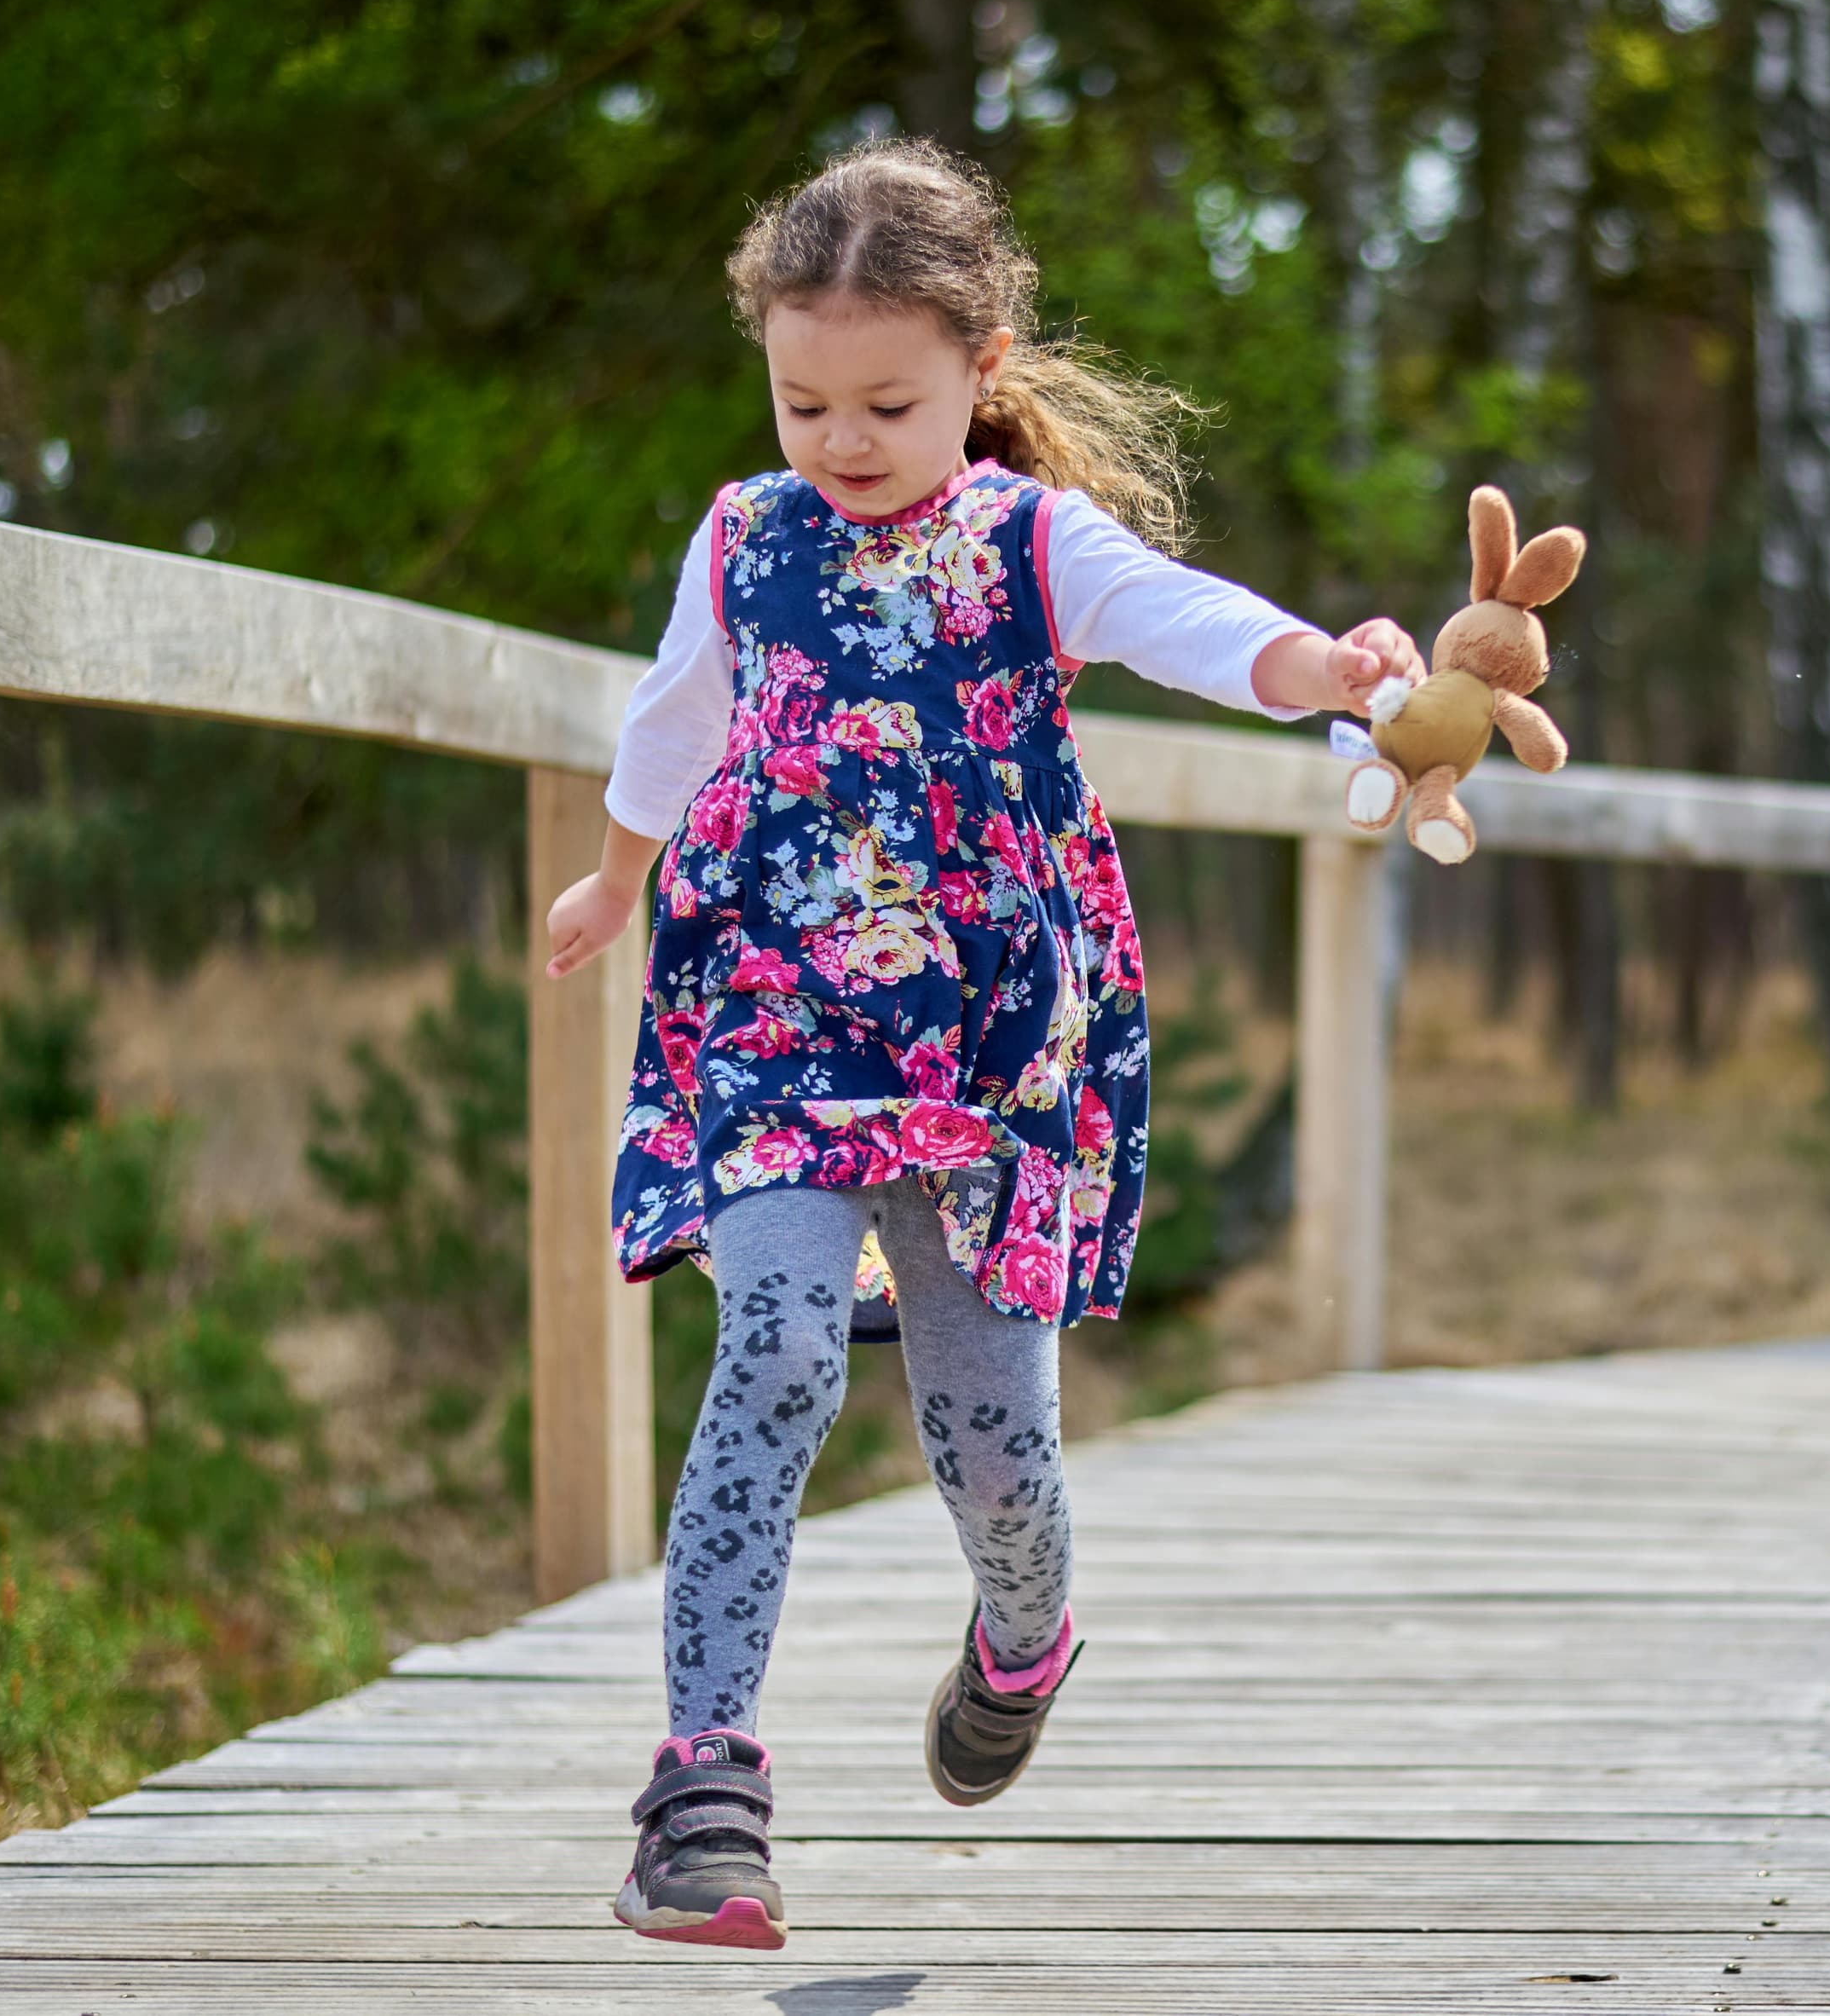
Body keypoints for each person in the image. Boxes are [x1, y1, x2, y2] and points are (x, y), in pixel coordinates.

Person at [540, 138, 1421, 1950]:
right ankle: (703, 1787)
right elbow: (672, 716)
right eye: (805, 401)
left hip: (987, 1039)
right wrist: (616, 880)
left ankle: (1023, 1638)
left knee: (992, 1434)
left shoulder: (1032, 541)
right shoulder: (743, 537)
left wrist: (1334, 672)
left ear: (982, 365)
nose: (843, 440)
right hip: (775, 1007)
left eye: (887, 401)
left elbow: (1194, 628)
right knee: (775, 1339)